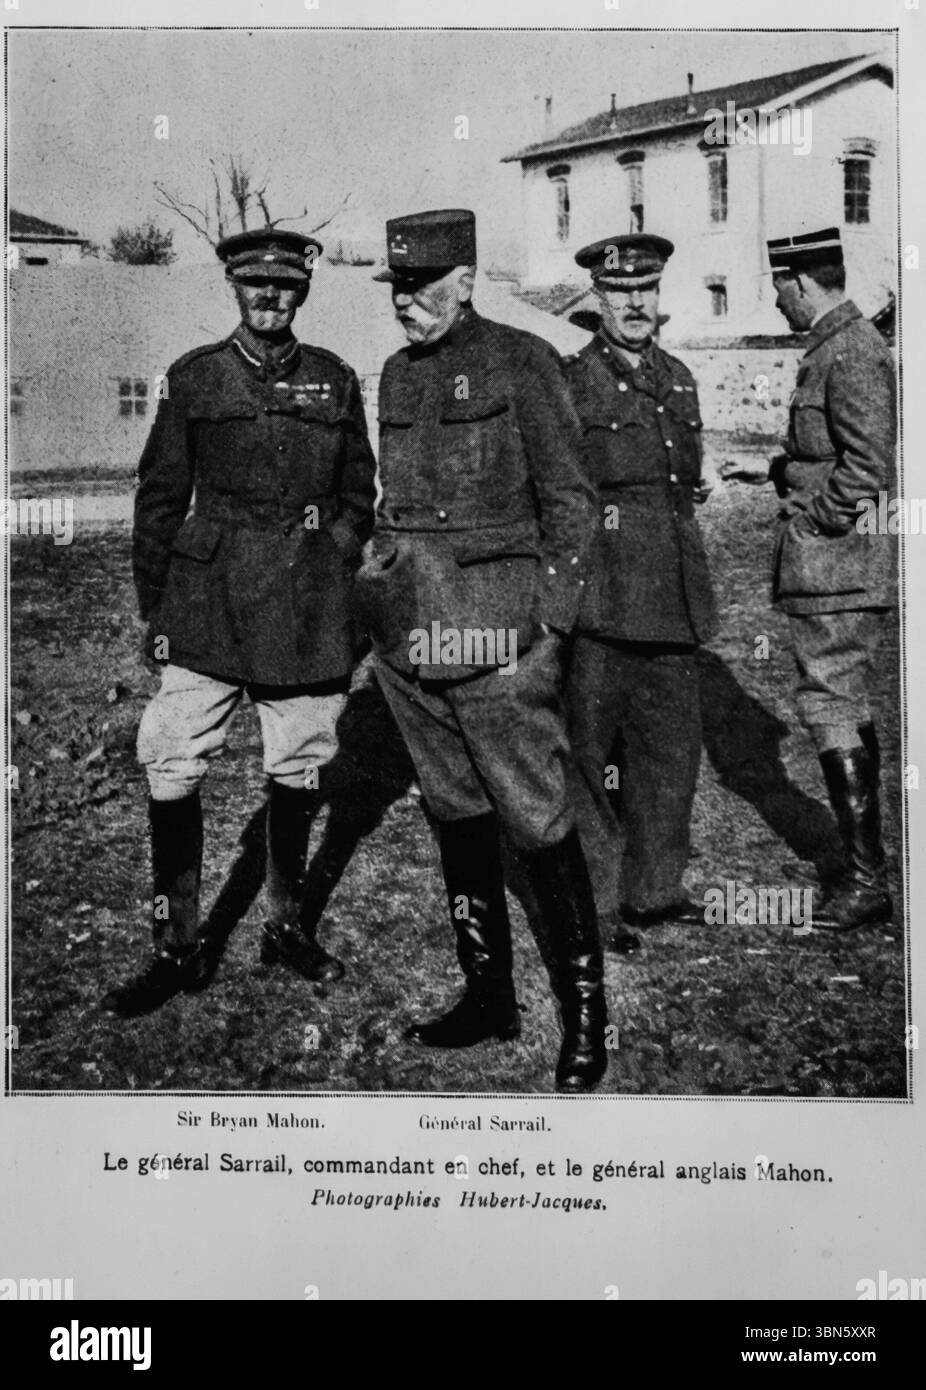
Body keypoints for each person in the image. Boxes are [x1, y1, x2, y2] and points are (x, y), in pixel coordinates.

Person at [356, 208, 607, 1091]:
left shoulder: (522, 361)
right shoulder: (392, 374)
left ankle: (586, 1019)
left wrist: (549, 627)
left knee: (537, 822)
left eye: (422, 288)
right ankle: (487, 996)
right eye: (397, 290)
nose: (407, 306)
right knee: (457, 820)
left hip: (502, 642)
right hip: (414, 646)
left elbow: (571, 503)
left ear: (465, 279)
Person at [102, 227, 376, 1017]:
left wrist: (339, 555)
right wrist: (156, 613)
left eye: (285, 287)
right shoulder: (194, 379)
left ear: (303, 293)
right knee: (173, 761)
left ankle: (285, 927)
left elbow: (361, 492)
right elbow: (157, 502)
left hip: (305, 607)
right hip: (208, 606)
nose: (270, 298)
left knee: (301, 763)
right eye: (256, 285)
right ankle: (176, 945)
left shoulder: (333, 382)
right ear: (234, 288)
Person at [562, 233, 717, 951]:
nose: (634, 304)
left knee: (669, 754)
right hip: (601, 599)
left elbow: (686, 484)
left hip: (673, 598)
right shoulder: (570, 383)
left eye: (646, 291)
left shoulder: (680, 378)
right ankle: (593, 905)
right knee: (589, 759)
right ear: (597, 299)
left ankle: (655, 892)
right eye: (620, 293)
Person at [760, 226, 896, 929]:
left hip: (839, 567)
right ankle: (863, 867)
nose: (776, 301)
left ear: (802, 284)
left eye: (779, 287)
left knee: (831, 702)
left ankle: (866, 881)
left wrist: (815, 521)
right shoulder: (838, 348)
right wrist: (782, 471)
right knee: (840, 703)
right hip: (837, 568)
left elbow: (867, 469)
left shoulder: (851, 352)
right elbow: (826, 452)